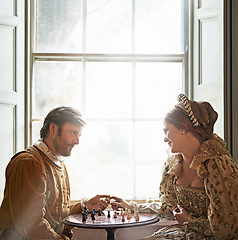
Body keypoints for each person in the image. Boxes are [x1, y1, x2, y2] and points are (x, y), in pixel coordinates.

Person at [110, 94, 238, 239]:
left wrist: (189, 221)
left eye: (167, 131)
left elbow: (226, 229)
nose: (165, 139)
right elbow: (169, 207)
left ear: (183, 128)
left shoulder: (218, 165)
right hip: (184, 233)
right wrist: (132, 208)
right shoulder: (174, 164)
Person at [0, 106, 110, 240]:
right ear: (53, 129)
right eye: (73, 133)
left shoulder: (58, 162)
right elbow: (31, 226)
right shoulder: (29, 163)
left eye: (79, 135)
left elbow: (54, 213)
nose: (77, 141)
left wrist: (84, 206)